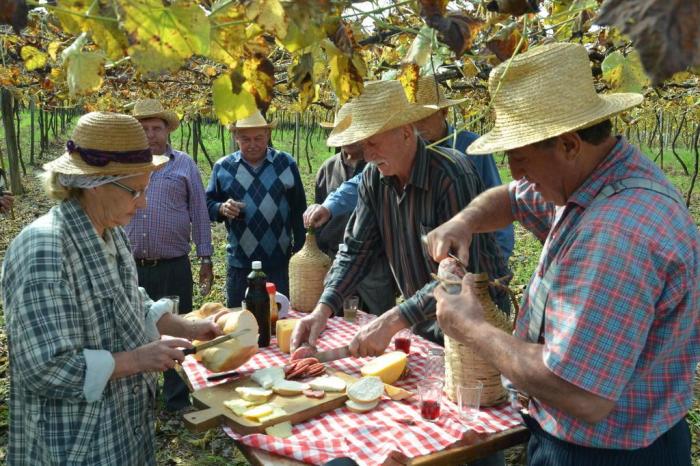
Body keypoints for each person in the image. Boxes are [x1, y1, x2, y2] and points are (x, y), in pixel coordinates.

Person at [427, 43, 698, 465]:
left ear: (570, 144)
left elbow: (581, 393)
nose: (515, 171)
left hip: (602, 456)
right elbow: (513, 198)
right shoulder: (591, 179)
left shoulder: (613, 236)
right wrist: (463, 222)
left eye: (519, 156)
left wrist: (472, 328)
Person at [0, 112, 224, 465]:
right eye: (136, 191)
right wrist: (136, 360)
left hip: (122, 431)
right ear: (95, 184)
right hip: (74, 443)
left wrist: (189, 328)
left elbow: (129, 300)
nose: (144, 203)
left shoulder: (111, 232)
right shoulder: (45, 250)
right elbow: (43, 368)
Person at [291, 79, 510, 357]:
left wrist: (393, 319)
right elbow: (357, 250)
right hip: (423, 321)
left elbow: (461, 276)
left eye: (373, 142)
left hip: (477, 323)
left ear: (406, 132)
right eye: (363, 144)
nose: (367, 155)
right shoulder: (374, 178)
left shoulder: (451, 175)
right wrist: (322, 310)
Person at [304, 75, 515, 261]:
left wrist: (501, 257)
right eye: (411, 117)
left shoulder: (469, 148)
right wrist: (330, 205)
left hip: (472, 258)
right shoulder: (406, 151)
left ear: (444, 112)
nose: (416, 125)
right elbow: (365, 180)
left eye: (423, 117)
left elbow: (495, 199)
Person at [126, 98, 214, 411]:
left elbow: (199, 211)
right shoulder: (125, 166)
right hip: (131, 267)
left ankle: (177, 398)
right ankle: (141, 396)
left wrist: (205, 257)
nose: (150, 134)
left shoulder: (184, 164)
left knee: (178, 329)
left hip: (173, 265)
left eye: (156, 128)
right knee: (135, 331)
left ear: (167, 131)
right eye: (144, 129)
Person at [206, 109, 306, 307]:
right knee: (241, 317)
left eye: (258, 138)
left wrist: (300, 247)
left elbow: (298, 209)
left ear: (268, 135)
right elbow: (207, 204)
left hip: (278, 261)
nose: (252, 144)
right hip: (240, 262)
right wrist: (221, 208)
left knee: (278, 315)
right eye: (246, 139)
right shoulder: (223, 167)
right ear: (236, 137)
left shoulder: (285, 163)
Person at [309, 114, 397, 316]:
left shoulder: (380, 166)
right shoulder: (327, 169)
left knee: (380, 317)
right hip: (338, 259)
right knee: (339, 318)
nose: (348, 139)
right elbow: (321, 210)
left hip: (376, 263)